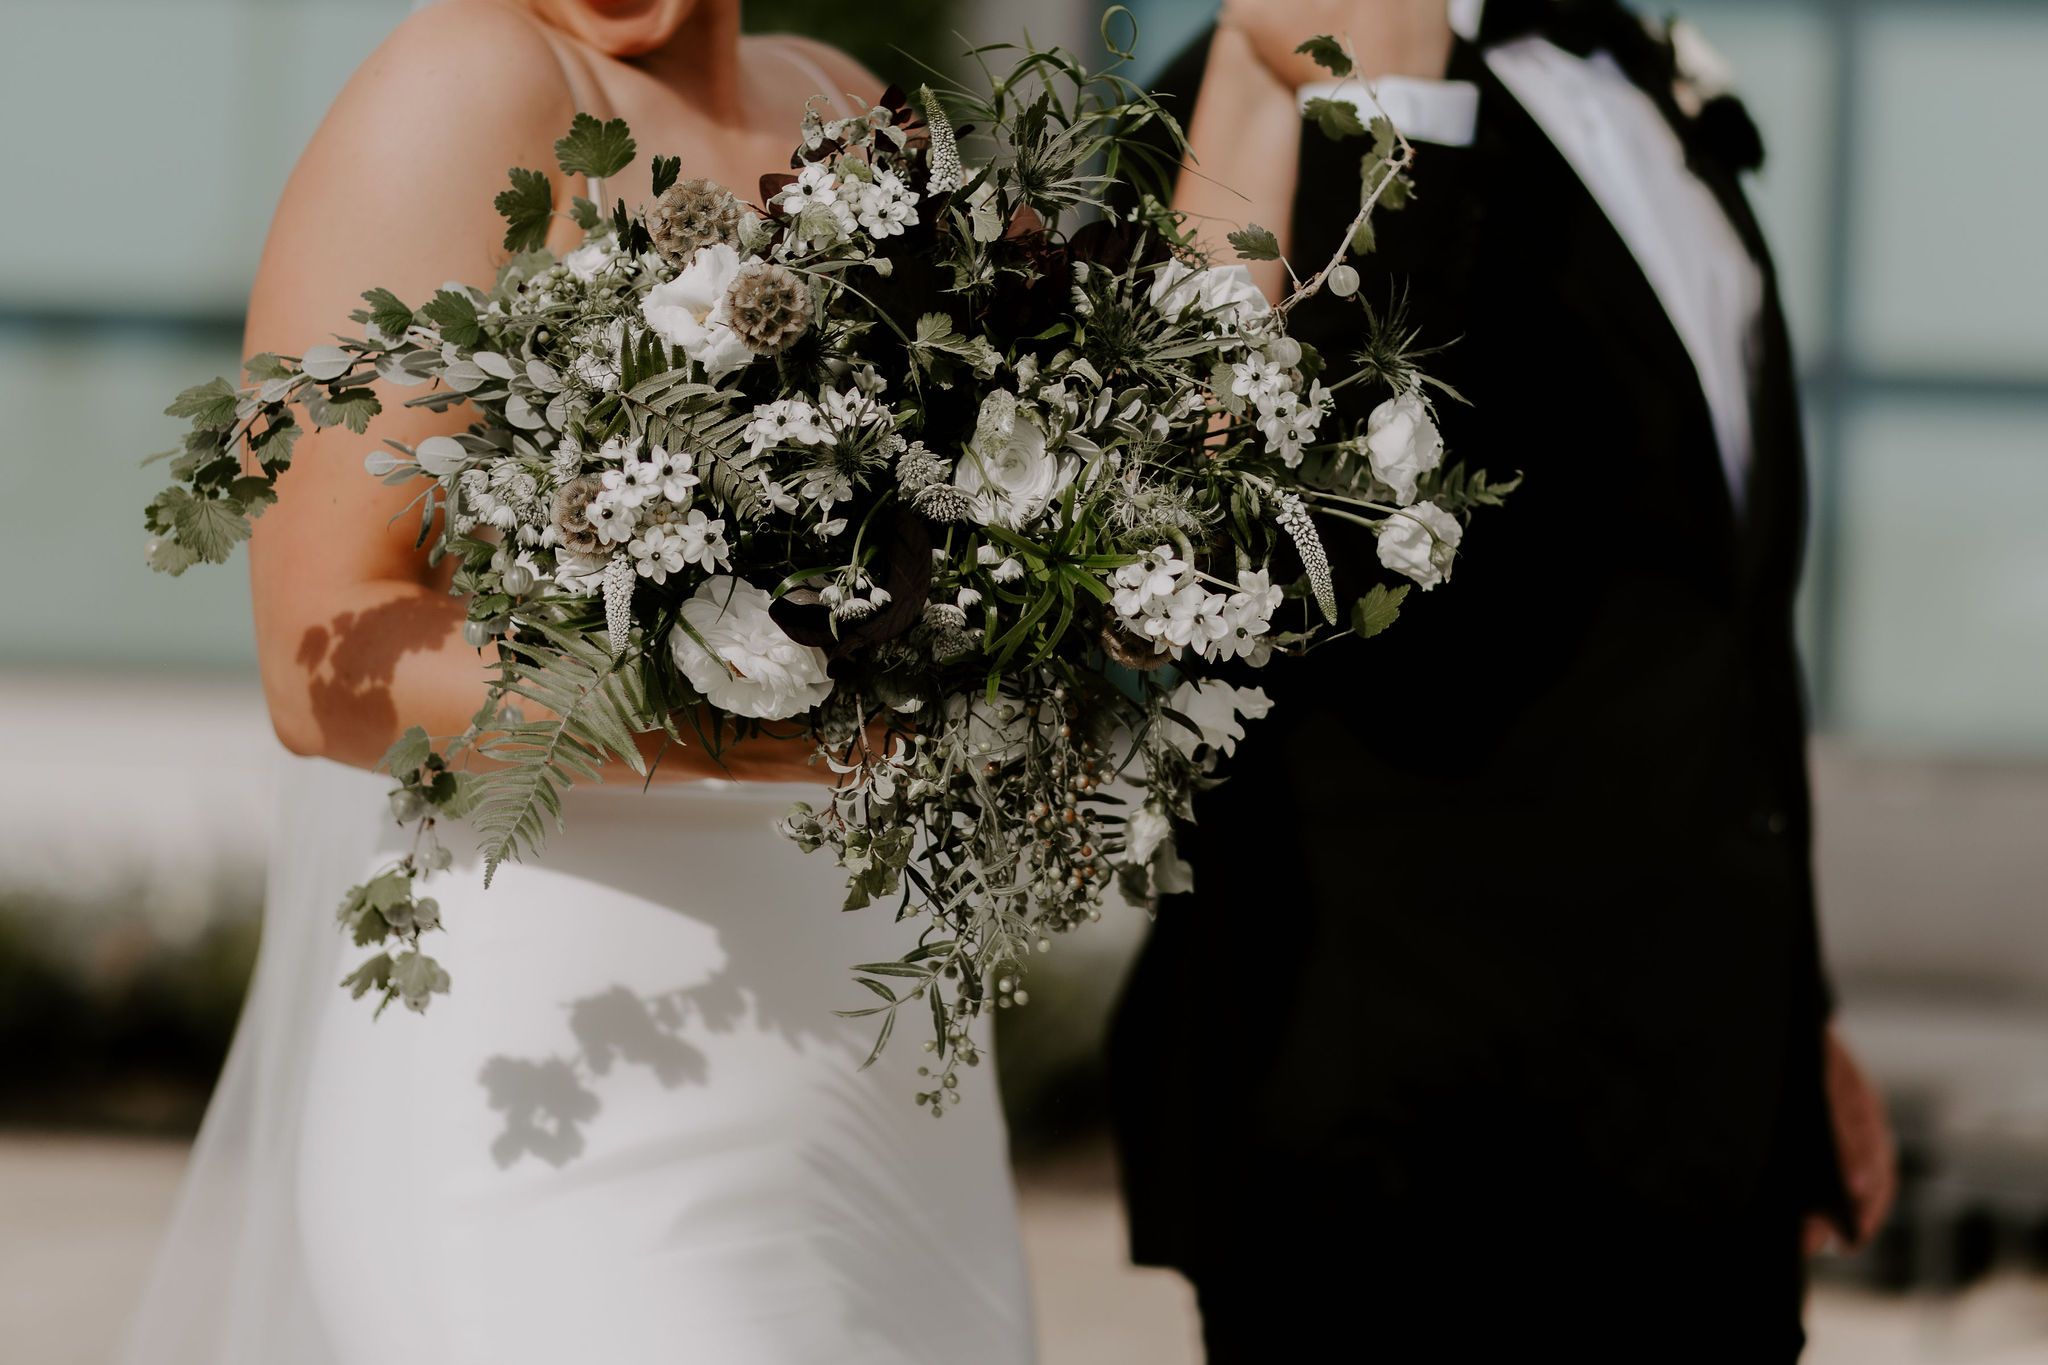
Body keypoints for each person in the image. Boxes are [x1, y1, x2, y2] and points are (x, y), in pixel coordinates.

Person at [118, 3, 1033, 1361]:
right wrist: (731, 717)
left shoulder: (851, 106)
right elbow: (322, 653)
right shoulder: (466, 83)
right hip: (557, 1067)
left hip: (880, 1064)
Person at [1109, 1, 1896, 1358]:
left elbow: (1721, 629)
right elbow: (1258, 584)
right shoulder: (1231, 90)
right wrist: (1402, 118)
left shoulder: (1648, 87)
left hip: (1695, 1139)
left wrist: (1792, 1020)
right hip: (1391, 1148)